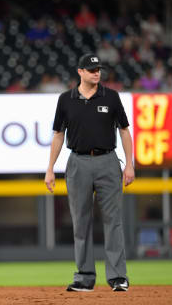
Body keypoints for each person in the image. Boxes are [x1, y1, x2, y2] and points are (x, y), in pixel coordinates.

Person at [44, 53, 135, 292]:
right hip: (77, 162)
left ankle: (117, 277)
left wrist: (130, 164)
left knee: (113, 221)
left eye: (98, 69)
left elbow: (125, 131)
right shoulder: (66, 100)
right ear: (80, 72)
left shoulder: (112, 97)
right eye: (91, 69)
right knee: (80, 222)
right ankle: (84, 277)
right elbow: (58, 134)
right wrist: (50, 169)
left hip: (107, 161)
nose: (96, 73)